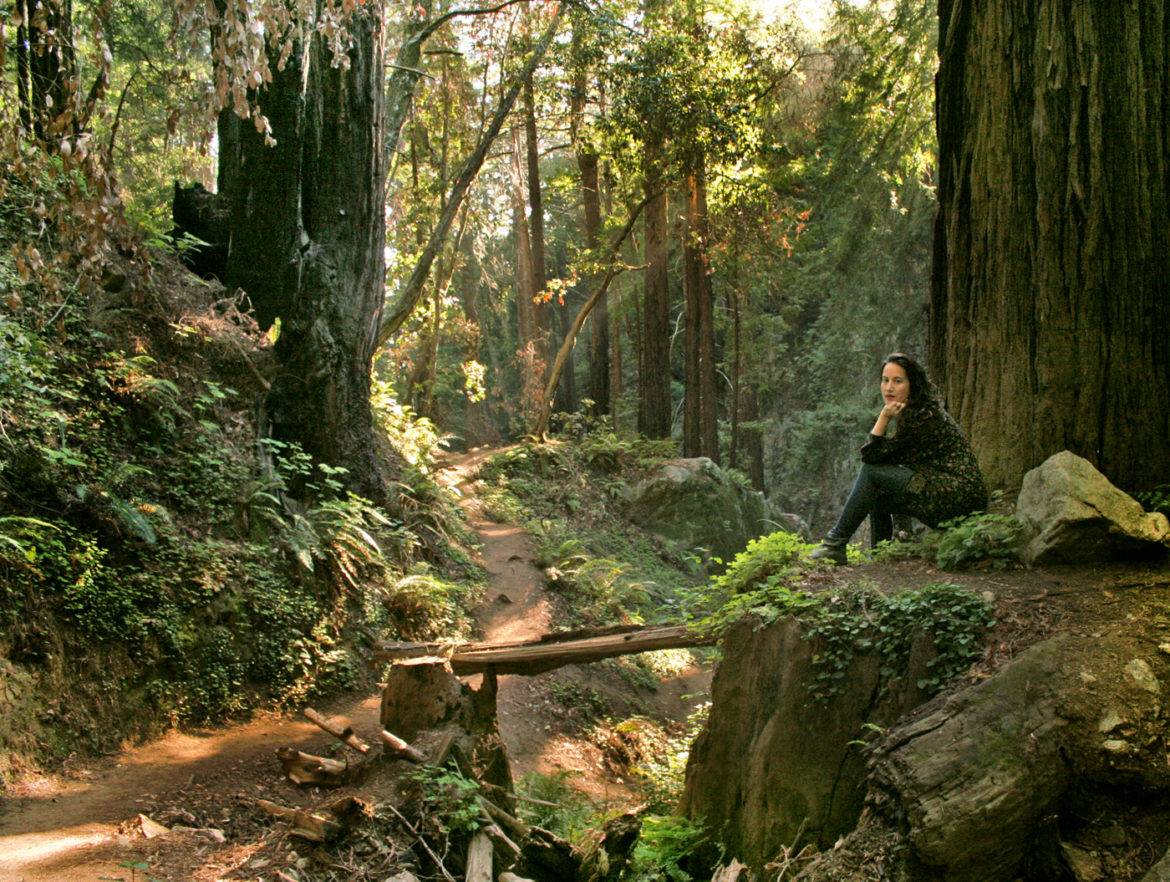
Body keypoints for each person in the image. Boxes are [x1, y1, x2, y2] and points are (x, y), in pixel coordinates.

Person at [810, 353, 988, 565]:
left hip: (957, 495)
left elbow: (871, 459)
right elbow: (882, 460)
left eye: (897, 381)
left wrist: (883, 417)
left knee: (871, 475)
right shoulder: (915, 411)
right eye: (885, 381)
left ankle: (834, 544)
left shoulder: (924, 417)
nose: (889, 388)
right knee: (877, 495)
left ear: (912, 384)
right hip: (944, 490)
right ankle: (881, 555)